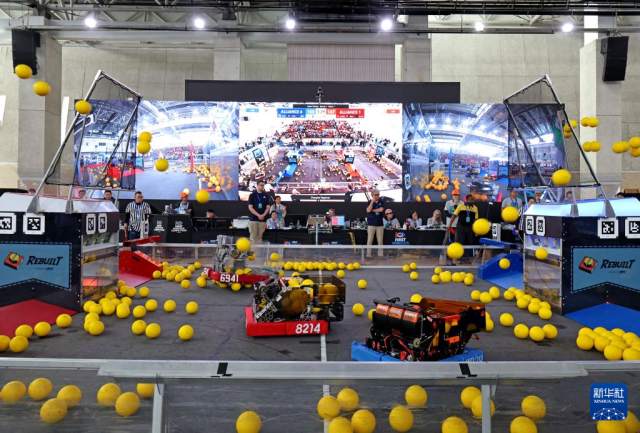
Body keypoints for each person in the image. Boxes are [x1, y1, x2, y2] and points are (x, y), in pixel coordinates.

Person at [365, 189, 385, 258]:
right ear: (372, 195)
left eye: (378, 194)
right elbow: (368, 210)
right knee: (369, 240)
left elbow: (381, 210)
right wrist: (372, 202)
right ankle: (368, 254)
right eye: (375, 195)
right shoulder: (369, 202)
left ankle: (380, 254)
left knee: (380, 241)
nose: (377, 196)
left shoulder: (381, 202)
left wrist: (372, 210)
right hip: (371, 224)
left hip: (380, 224)